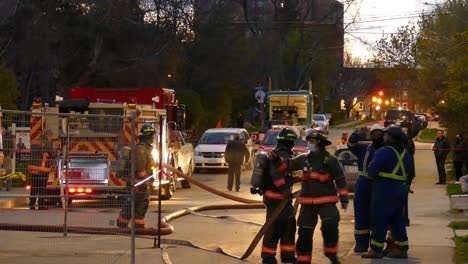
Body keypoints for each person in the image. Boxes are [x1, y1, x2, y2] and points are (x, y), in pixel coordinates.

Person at [271, 129, 348, 264]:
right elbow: (287, 165)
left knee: (330, 224)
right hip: (307, 204)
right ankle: (303, 260)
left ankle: (331, 254)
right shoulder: (304, 159)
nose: (309, 144)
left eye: (311, 141)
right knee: (304, 233)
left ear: (319, 142)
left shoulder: (331, 160)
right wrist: (276, 159)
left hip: (326, 202)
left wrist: (344, 198)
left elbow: (340, 179)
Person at [362, 125, 415, 259]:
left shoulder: (383, 151)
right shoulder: (406, 154)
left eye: (386, 134)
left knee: (379, 219)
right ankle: (401, 249)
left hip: (383, 190)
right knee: (397, 220)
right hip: (400, 191)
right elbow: (410, 173)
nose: (383, 136)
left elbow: (371, 171)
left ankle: (375, 249)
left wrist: (373, 176)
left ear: (391, 137)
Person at [251, 128, 298, 264]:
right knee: (274, 227)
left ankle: (287, 256)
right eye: (292, 142)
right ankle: (268, 257)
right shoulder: (281, 155)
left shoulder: (279, 154)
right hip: (277, 197)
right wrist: (284, 189)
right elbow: (275, 174)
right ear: (289, 142)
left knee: (288, 225)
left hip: (279, 198)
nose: (293, 144)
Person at [347, 124, 384, 253]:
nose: (377, 136)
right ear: (370, 135)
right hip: (363, 184)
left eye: (380, 134)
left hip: (378, 184)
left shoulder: (386, 150)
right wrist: (357, 132)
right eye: (374, 134)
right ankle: (361, 243)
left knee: (378, 215)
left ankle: (375, 245)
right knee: (361, 214)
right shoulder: (364, 148)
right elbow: (351, 145)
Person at [117, 124, 156, 228]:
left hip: (141, 183)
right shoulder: (140, 149)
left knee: (139, 204)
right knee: (135, 204)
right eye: (152, 136)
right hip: (138, 183)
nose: (153, 138)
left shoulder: (145, 149)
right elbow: (140, 165)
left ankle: (136, 226)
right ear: (148, 136)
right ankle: (124, 224)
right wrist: (144, 179)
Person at [28, 129, 55, 210]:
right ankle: (41, 205)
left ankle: (32, 204)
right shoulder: (47, 143)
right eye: (50, 137)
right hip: (42, 169)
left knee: (34, 187)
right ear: (48, 135)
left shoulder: (34, 142)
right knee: (42, 187)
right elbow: (53, 154)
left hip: (33, 168)